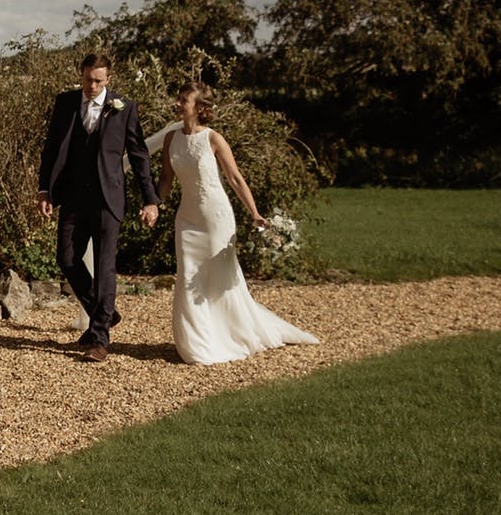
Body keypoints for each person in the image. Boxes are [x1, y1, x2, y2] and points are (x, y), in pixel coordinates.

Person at [156, 81, 319, 365]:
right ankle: (195, 344)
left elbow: (235, 178)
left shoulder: (213, 139)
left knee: (220, 279)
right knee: (187, 276)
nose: (179, 103)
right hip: (186, 218)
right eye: (179, 98)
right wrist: (154, 205)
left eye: (185, 100)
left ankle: (230, 334)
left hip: (216, 218)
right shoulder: (171, 139)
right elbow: (166, 180)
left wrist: (254, 213)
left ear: (200, 108)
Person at [37, 52, 160, 362]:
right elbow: (51, 148)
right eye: (87, 79)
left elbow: (139, 155)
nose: (92, 86)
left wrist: (150, 199)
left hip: (109, 198)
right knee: (66, 258)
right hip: (74, 196)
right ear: (81, 75)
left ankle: (100, 338)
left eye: (98, 81)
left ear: (108, 80)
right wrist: (45, 190)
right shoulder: (65, 103)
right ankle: (104, 313)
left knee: (105, 267)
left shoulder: (124, 107)